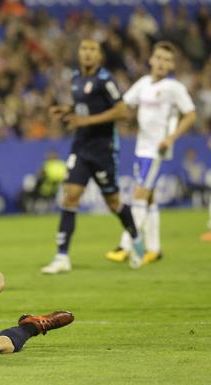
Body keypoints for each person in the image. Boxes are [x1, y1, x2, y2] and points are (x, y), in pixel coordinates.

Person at [41, 38, 144, 274]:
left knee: (113, 202)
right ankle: (62, 256)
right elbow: (86, 107)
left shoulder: (105, 80)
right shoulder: (76, 78)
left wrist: (86, 120)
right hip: (81, 146)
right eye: (84, 48)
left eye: (92, 50)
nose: (87, 53)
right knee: (70, 196)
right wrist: (67, 110)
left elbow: (121, 110)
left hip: (103, 149)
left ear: (99, 56)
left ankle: (136, 240)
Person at [106, 41, 196, 265]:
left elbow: (191, 114)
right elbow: (125, 105)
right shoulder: (144, 83)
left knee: (139, 196)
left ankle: (126, 245)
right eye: (159, 58)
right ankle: (154, 249)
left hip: (157, 149)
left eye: (167, 60)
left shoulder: (174, 88)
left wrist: (171, 138)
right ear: (151, 60)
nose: (162, 63)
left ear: (173, 65)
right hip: (141, 146)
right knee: (150, 199)